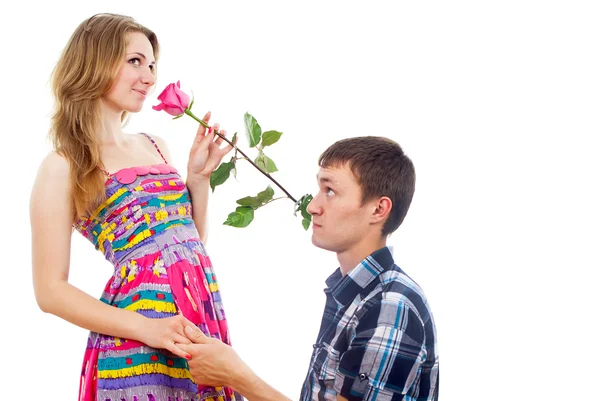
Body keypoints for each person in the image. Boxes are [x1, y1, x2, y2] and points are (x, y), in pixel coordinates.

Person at [30, 13, 242, 401]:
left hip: (198, 318)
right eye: (135, 61)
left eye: (152, 65)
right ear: (95, 62)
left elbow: (187, 246)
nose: (149, 76)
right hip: (138, 337)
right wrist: (149, 329)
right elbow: (49, 291)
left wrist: (198, 181)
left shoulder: (155, 143)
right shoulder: (63, 165)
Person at [176, 136, 439, 400]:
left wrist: (236, 376)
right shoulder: (354, 294)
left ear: (378, 209)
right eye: (319, 190)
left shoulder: (390, 307)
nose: (313, 207)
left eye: (331, 191)